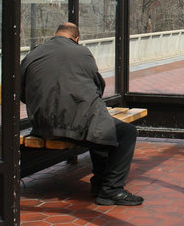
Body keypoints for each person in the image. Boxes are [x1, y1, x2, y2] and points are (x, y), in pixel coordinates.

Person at [20, 22, 143, 206]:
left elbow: (22, 93)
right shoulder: (81, 52)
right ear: (75, 38)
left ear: (57, 34)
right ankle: (112, 190)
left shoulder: (32, 55)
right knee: (125, 132)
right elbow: (98, 86)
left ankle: (99, 182)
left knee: (100, 126)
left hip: (42, 126)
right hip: (75, 125)